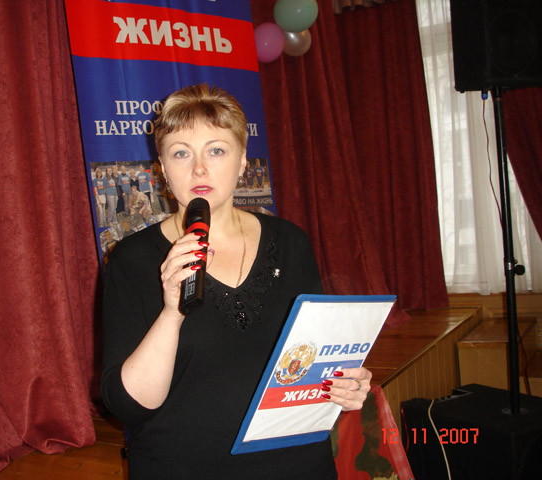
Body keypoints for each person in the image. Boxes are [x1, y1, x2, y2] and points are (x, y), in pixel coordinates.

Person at [101, 84, 372, 480]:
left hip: (296, 461)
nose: (199, 169)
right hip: (183, 468)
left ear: (243, 161)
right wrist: (172, 313)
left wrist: (343, 383)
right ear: (162, 168)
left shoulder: (290, 242)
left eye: (216, 150)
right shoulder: (132, 259)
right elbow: (129, 406)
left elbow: (313, 358)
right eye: (181, 153)